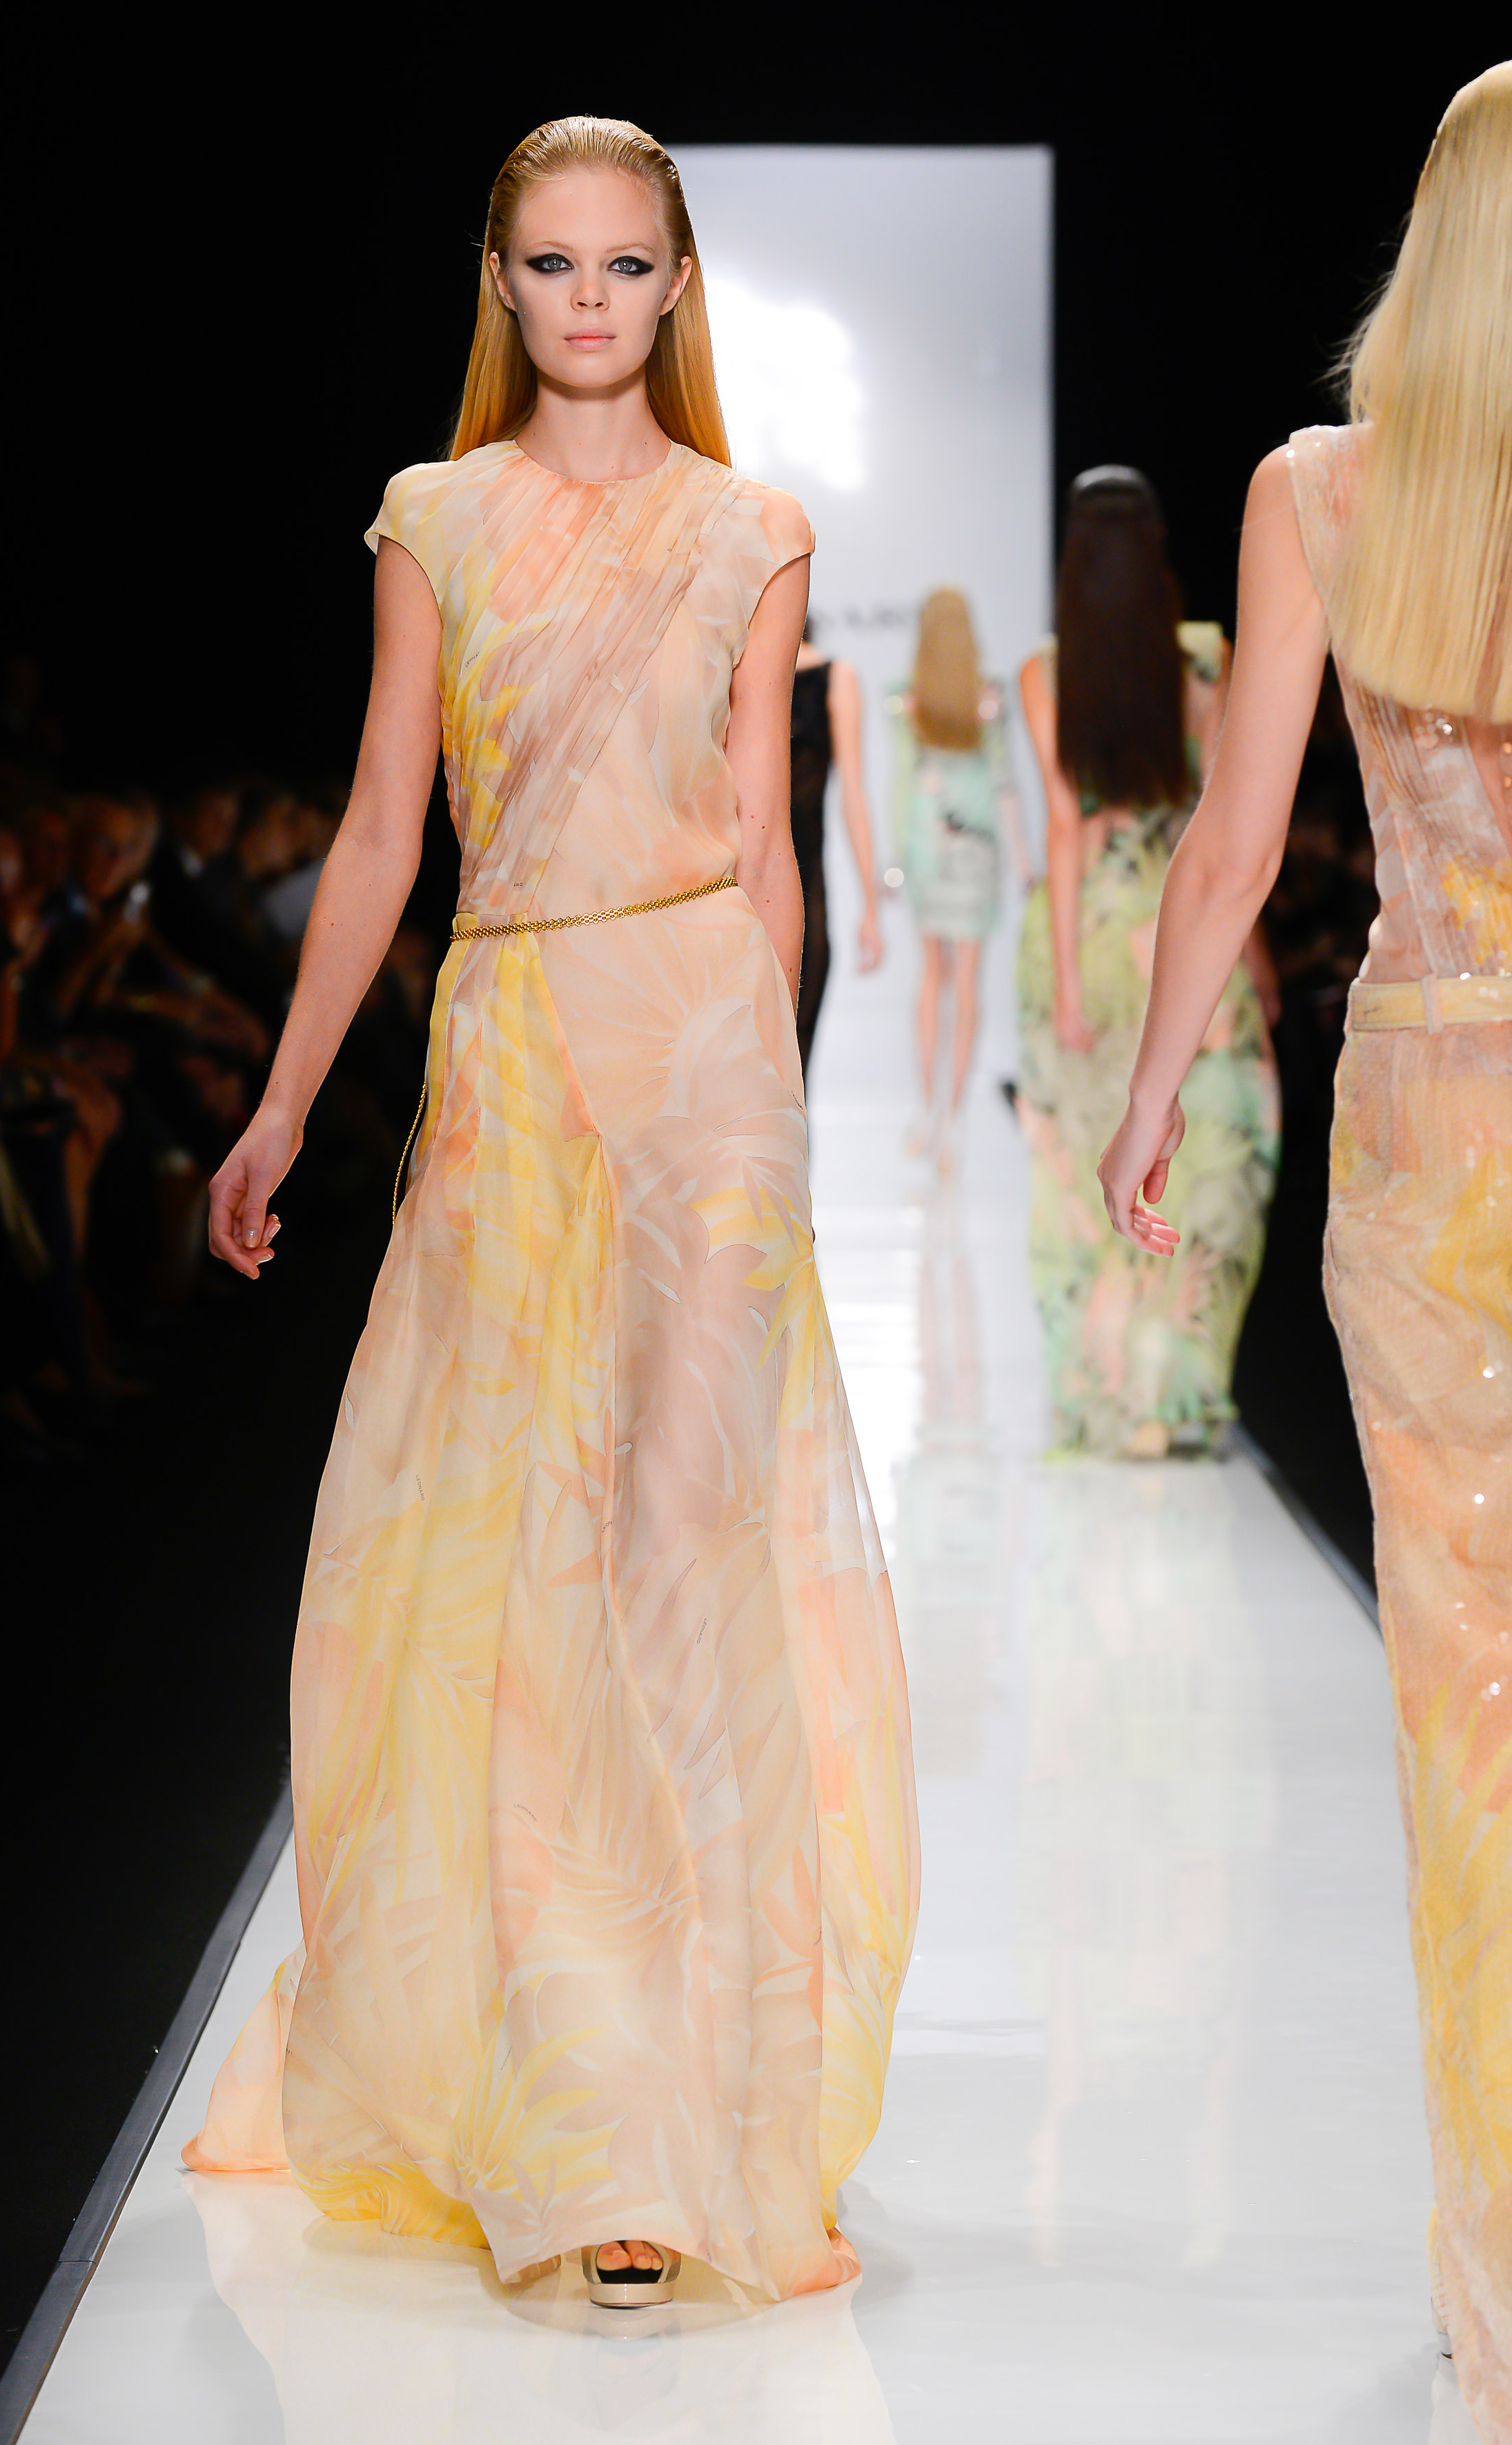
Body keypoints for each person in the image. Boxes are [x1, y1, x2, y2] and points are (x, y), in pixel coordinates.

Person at [185, 115, 919, 2312]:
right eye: (552, 264)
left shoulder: (753, 527)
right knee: (516, 1556)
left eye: (623, 263)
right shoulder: (435, 517)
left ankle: (699, 2092)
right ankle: (592, 2109)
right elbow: (384, 824)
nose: (589, 300)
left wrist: (776, 1106)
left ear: (678, 284)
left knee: (682, 1543)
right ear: (500, 283)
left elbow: (761, 841)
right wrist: (282, 1101)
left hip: (700, 1054)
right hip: (510, 1053)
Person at [1097, 64, 1512, 2438]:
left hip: (1435, 1124)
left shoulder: (1318, 493)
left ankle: (1502, 2280)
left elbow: (1237, 839)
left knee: (1467, 1718)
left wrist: (1151, 1085)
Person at [1018, 473, 1279, 1457]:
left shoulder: (1048, 671)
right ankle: (1173, 1392)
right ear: (1159, 545)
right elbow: (1226, 825)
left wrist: (1068, 987)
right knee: (1209, 1160)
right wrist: (1251, 958)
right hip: (1185, 927)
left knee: (1078, 1162)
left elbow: (1065, 831)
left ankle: (1100, 1392)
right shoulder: (1205, 657)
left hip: (1088, 934)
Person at [891, 588, 1028, 1170]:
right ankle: (953, 1117)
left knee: (933, 977)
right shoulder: (988, 697)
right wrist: (1023, 859)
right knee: (966, 981)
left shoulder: (909, 700)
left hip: (928, 849)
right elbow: (1003, 782)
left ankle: (930, 1112)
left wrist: (896, 859)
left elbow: (903, 783)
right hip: (976, 851)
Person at [790, 617, 883, 1080]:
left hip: (800, 888)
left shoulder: (834, 678)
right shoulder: (736, 676)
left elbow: (853, 796)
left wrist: (871, 905)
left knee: (792, 1060)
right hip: (751, 888)